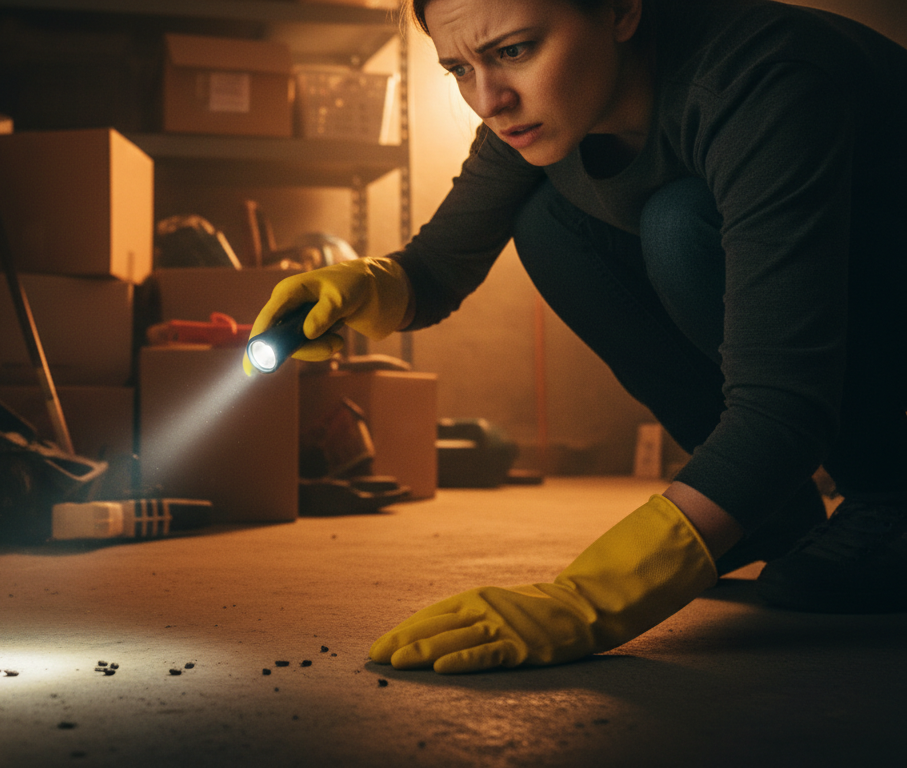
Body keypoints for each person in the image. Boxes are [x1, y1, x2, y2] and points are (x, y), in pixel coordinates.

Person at [245, 0, 907, 674]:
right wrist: (365, 286)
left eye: (514, 50)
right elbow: (439, 266)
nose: (489, 100)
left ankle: (890, 496)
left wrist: (591, 598)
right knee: (549, 224)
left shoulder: (761, 78)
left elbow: (782, 407)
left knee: (678, 227)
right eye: (458, 69)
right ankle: (763, 510)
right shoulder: (547, 111)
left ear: (620, 11)